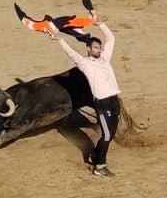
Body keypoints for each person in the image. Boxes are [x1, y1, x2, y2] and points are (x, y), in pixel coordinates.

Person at [46, 13, 121, 178]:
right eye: (95, 48)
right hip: (102, 104)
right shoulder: (85, 63)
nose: (98, 50)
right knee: (107, 135)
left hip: (115, 101)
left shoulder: (105, 59)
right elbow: (72, 54)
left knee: (111, 134)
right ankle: (99, 166)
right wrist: (60, 40)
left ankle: (94, 154)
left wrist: (101, 24)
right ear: (88, 49)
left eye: (99, 48)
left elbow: (111, 39)